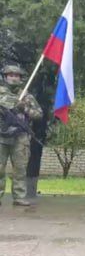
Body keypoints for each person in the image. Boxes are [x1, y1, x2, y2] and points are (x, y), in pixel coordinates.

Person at [0, 64, 42, 207]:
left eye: (16, 76)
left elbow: (38, 115)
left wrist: (25, 108)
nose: (14, 78)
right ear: (5, 77)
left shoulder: (26, 96)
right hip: (1, 137)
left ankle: (19, 197)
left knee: (20, 169)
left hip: (20, 137)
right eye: (10, 75)